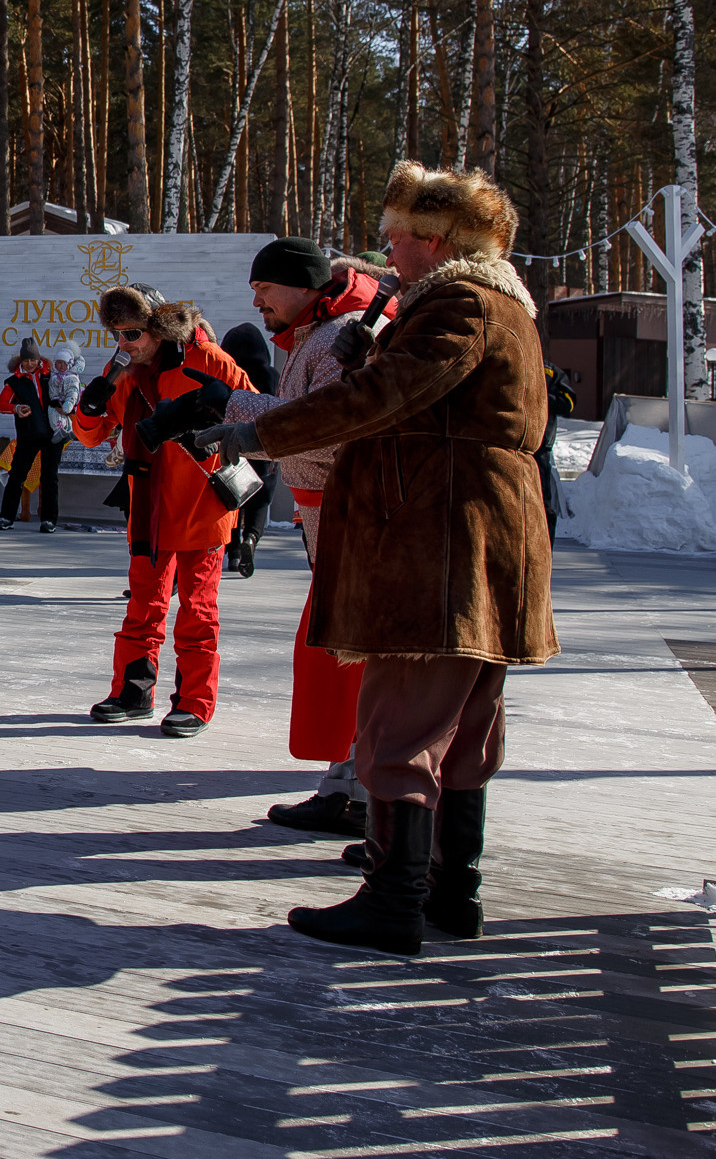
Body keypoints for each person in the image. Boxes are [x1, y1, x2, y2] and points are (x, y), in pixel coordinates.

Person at [200, 164, 556, 954]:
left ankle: (394, 901)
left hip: (439, 544)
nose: (386, 253)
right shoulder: (499, 308)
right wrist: (368, 357)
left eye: (397, 238)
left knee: (401, 723)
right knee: (463, 730)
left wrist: (257, 433)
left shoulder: (460, 305)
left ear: (438, 242)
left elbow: (379, 404)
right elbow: (417, 402)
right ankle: (449, 892)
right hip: (480, 544)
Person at [213, 239, 393, 839]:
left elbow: (328, 434)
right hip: (331, 524)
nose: (256, 300)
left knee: (353, 660)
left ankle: (366, 795)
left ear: (303, 285)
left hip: (351, 524)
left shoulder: (340, 335)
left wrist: (233, 411)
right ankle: (348, 784)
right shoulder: (319, 335)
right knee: (336, 658)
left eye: (265, 288)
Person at [73, 285, 252, 738]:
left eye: (132, 333)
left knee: (198, 612)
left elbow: (257, 419)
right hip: (148, 511)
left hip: (202, 508)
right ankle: (132, 694)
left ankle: (194, 701)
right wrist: (88, 410)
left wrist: (215, 416)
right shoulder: (122, 372)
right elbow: (92, 436)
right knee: (142, 608)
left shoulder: (210, 360)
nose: (124, 343)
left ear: (157, 328)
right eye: (117, 334)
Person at [219, 322, 281, 576]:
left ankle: (233, 553)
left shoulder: (227, 375)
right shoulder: (272, 375)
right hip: (263, 445)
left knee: (233, 497)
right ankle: (251, 538)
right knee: (259, 500)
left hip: (233, 445)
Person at [0, 339, 66, 533]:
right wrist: (16, 408)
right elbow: (1, 404)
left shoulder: (51, 376)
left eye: (32, 360)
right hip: (28, 434)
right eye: (26, 360)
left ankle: (49, 520)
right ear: (21, 361)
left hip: (53, 433)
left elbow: (67, 392)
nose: (29, 364)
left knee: (50, 477)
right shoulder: (14, 381)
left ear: (38, 359)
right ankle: (6, 517)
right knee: (17, 475)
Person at [539, 361, 578, 540]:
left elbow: (568, 403)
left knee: (542, 500)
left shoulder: (550, 371)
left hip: (540, 447)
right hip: (506, 445)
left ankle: (545, 547)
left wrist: (539, 395)